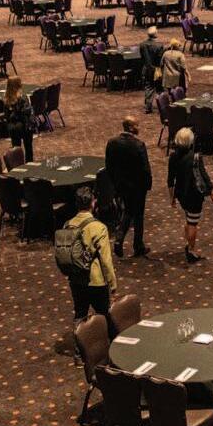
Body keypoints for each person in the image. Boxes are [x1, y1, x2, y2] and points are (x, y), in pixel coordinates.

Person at [58, 188, 116, 323]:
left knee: (80, 316)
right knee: (105, 317)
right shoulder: (99, 227)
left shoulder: (67, 224)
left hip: (75, 279)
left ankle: (79, 336)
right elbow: (106, 260)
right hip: (96, 281)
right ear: (93, 203)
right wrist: (112, 283)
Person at [106, 116, 153, 258]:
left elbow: (109, 166)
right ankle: (138, 246)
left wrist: (115, 184)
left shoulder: (112, 143)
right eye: (137, 125)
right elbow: (145, 169)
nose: (139, 128)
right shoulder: (139, 145)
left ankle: (119, 239)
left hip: (121, 186)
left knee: (128, 211)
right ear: (131, 128)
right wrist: (148, 185)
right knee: (138, 215)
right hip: (138, 187)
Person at [167, 127, 213, 263]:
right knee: (193, 223)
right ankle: (192, 251)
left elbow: (170, 180)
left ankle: (189, 246)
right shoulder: (195, 156)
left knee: (189, 219)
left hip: (181, 194)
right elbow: (203, 175)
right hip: (194, 194)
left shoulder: (173, 157)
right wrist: (211, 192)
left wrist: (172, 198)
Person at [4, 75, 36, 161]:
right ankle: (29, 164)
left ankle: (17, 165)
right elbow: (26, 112)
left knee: (16, 150)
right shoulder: (23, 98)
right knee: (28, 148)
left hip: (13, 128)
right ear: (18, 85)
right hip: (25, 127)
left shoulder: (6, 99)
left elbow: (7, 117)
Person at [139, 26, 166, 113]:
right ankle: (162, 107)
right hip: (157, 70)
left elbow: (142, 58)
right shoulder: (159, 46)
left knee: (148, 87)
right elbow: (160, 60)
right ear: (155, 34)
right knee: (159, 88)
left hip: (146, 69)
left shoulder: (142, 45)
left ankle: (148, 107)